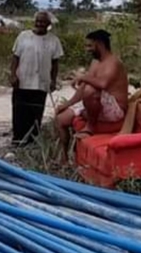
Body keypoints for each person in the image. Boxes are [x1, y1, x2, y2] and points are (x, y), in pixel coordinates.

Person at [55, 29, 129, 162]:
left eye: (90, 46)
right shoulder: (95, 62)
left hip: (115, 110)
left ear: (100, 44)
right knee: (61, 119)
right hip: (98, 104)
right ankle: (64, 158)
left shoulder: (114, 62)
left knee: (90, 90)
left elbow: (102, 84)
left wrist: (82, 77)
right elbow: (84, 86)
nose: (87, 49)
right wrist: (67, 104)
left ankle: (91, 126)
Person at [10, 11, 64, 146]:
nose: (39, 24)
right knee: (19, 112)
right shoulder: (23, 36)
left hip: (41, 83)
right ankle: (18, 140)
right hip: (22, 81)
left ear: (48, 24)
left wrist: (53, 80)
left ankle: (32, 141)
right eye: (38, 21)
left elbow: (55, 63)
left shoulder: (54, 40)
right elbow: (15, 57)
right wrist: (13, 75)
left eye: (43, 22)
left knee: (36, 112)